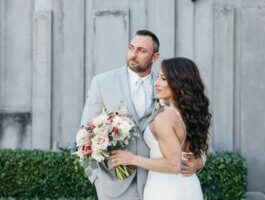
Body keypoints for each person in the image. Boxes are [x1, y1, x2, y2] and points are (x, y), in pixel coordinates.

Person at [80, 30, 204, 200]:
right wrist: (97, 179)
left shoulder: (167, 84)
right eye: (131, 48)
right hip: (114, 185)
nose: (133, 54)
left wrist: (200, 161)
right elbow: (85, 134)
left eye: (142, 51)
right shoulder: (102, 83)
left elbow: (192, 126)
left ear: (155, 57)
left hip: (156, 182)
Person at [109, 57, 211, 200]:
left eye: (163, 79)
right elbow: (200, 151)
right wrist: (200, 162)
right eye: (157, 77)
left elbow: (173, 164)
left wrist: (132, 159)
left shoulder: (164, 119)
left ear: (178, 83)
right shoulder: (193, 115)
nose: (156, 83)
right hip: (190, 186)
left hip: (165, 189)